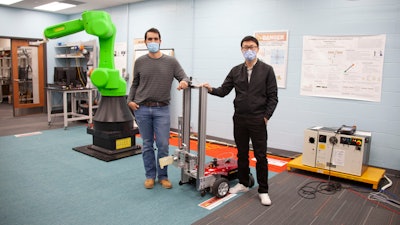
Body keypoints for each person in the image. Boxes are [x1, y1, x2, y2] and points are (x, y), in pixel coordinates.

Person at [202, 36, 278, 205]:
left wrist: (266, 116)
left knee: (261, 156)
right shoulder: (236, 70)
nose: (248, 50)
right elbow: (223, 90)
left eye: (252, 47)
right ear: (241, 50)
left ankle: (263, 190)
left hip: (258, 120)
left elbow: (273, 97)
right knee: (241, 153)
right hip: (240, 119)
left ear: (258, 48)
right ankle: (243, 183)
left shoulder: (267, 70)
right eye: (245, 47)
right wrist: (210, 89)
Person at [127, 28, 190, 189]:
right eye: (150, 39)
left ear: (160, 41)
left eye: (156, 39)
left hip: (162, 109)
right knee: (147, 145)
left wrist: (183, 82)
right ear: (146, 41)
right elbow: (135, 83)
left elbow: (183, 76)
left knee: (163, 145)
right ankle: (149, 176)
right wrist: (130, 100)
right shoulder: (140, 62)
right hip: (142, 108)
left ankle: (163, 176)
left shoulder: (171, 62)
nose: (153, 42)